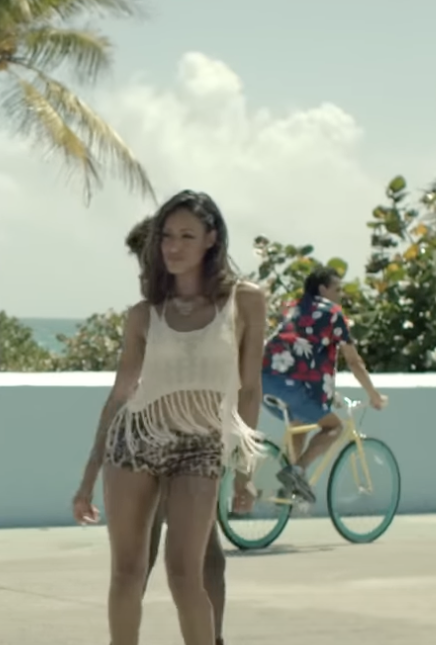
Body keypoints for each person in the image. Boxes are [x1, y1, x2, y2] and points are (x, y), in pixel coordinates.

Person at [84, 191, 267, 645]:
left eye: (187, 235)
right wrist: (88, 476)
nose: (173, 246)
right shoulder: (146, 314)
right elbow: (120, 392)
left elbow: (250, 389)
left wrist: (245, 470)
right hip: (139, 441)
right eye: (166, 236)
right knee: (132, 567)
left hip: (201, 445)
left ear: (211, 239)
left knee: (192, 567)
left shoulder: (246, 302)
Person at [261, 265, 386, 502]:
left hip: (264, 380)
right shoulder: (332, 313)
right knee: (334, 427)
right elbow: (354, 361)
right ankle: (296, 472)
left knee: (300, 422)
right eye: (337, 289)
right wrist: (374, 396)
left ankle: (293, 485)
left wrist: (328, 393)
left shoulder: (291, 308)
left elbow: (303, 355)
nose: (340, 294)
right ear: (323, 289)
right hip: (292, 385)